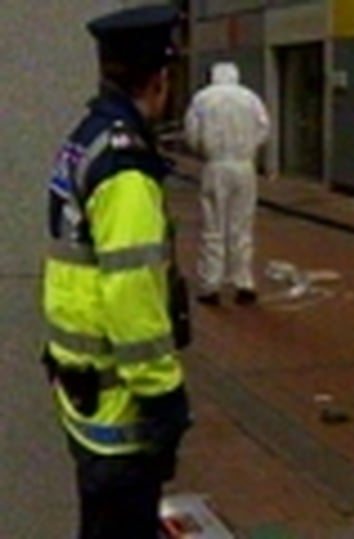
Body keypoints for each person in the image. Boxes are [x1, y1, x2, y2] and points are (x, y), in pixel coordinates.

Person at [41, 5, 192, 538]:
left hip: (82, 387)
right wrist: (163, 394)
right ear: (160, 78)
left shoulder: (84, 139)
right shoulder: (126, 169)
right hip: (119, 410)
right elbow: (131, 292)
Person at [184, 61, 271, 306]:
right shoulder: (250, 98)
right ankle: (243, 281)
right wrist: (250, 146)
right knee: (242, 225)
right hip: (244, 166)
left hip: (216, 165)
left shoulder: (202, 99)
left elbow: (192, 134)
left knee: (213, 226)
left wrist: (205, 150)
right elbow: (264, 129)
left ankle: (211, 284)